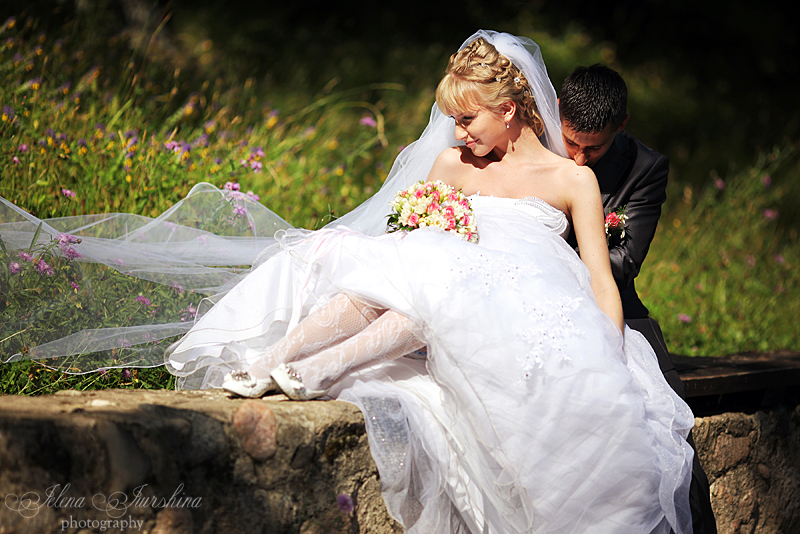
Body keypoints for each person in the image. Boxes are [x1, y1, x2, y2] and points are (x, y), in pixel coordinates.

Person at [164, 31, 694, 533]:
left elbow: (602, 278)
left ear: (508, 111)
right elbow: (412, 244)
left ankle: (318, 369)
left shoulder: (572, 178)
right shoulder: (452, 163)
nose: (459, 133)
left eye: (467, 120)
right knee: (398, 273)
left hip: (511, 300)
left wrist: (608, 350)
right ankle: (270, 364)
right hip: (440, 279)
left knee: (446, 287)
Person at [559, 64, 716, 534]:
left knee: (669, 423)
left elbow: (626, 261)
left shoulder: (646, 167)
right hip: (537, 305)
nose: (579, 160)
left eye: (595, 147)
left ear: (621, 126)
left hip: (616, 305)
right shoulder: (533, 145)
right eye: (571, 143)